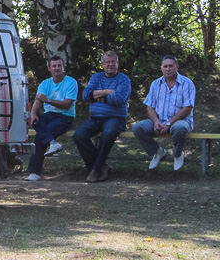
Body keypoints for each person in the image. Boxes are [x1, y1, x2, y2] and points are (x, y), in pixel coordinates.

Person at [73, 51, 131, 183]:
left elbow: (119, 99)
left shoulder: (124, 79)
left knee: (108, 134)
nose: (110, 64)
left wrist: (97, 96)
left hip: (116, 118)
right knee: (78, 135)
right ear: (103, 64)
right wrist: (106, 92)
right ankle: (101, 166)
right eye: (107, 62)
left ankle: (95, 169)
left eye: (113, 62)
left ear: (117, 63)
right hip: (95, 117)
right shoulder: (96, 77)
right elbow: (86, 96)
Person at [132, 55, 195, 171]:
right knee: (137, 128)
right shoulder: (155, 84)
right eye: (165, 66)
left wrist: (169, 123)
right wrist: (156, 122)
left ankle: (177, 154)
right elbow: (150, 107)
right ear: (161, 68)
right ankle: (158, 152)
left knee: (180, 128)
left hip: (181, 121)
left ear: (177, 67)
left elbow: (187, 108)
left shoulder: (187, 83)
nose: (168, 69)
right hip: (160, 120)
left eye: (171, 66)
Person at [26, 55, 78, 181]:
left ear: (63, 68)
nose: (57, 68)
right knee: (35, 119)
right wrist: (33, 113)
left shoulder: (71, 82)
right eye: (54, 66)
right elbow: (38, 100)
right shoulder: (45, 83)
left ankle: (35, 172)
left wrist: (48, 100)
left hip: (64, 117)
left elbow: (67, 105)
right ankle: (53, 143)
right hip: (48, 115)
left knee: (40, 136)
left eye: (59, 65)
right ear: (49, 68)